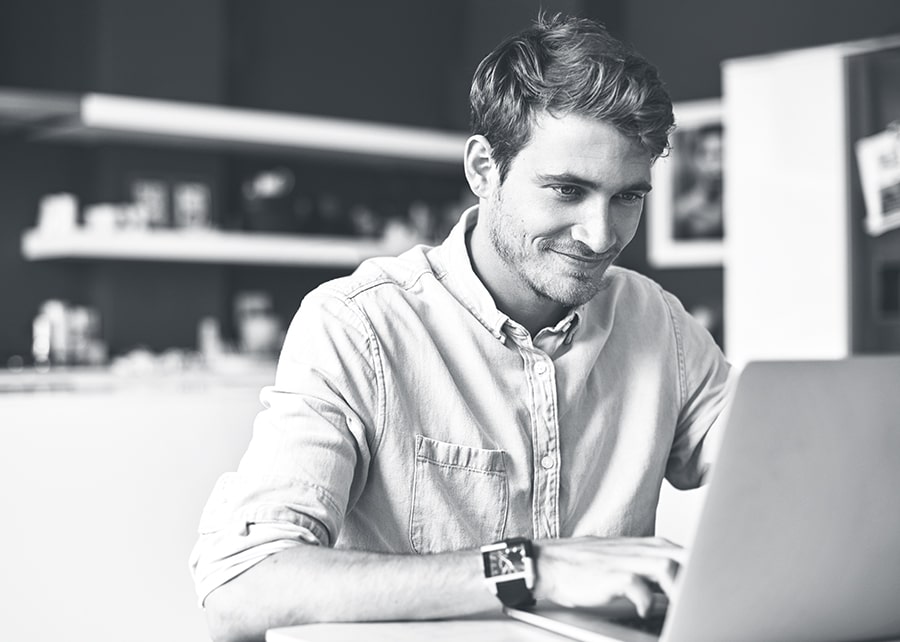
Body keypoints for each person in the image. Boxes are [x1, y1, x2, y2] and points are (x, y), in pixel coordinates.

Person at [190, 13, 733, 642]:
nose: (601, 235)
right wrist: (529, 569)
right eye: (566, 190)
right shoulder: (359, 326)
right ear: (483, 169)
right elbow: (239, 589)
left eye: (627, 197)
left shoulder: (658, 323)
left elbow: (775, 463)